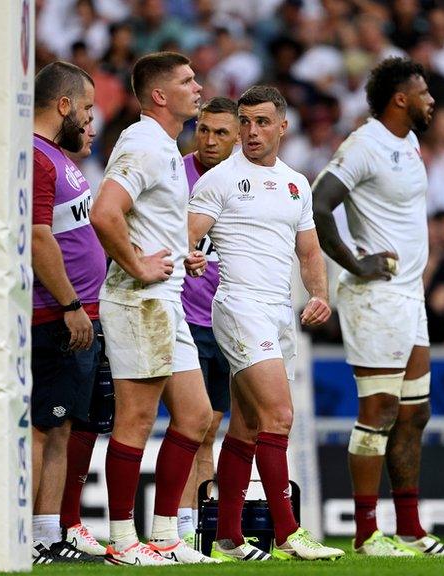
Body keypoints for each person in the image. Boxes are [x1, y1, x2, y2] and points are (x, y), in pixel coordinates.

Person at [187, 85, 344, 562]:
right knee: (280, 415)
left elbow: (309, 250)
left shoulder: (296, 182)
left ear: (282, 127)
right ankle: (289, 531)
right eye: (246, 122)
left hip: (278, 311)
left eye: (261, 122)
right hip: (238, 307)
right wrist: (189, 255)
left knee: (250, 425)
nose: (251, 132)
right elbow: (187, 234)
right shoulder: (219, 180)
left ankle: (229, 536)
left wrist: (319, 294)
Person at [314, 57, 444, 557]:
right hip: (375, 298)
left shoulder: (410, 143)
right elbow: (318, 203)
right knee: (378, 410)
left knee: (414, 415)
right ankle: (364, 534)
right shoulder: (364, 145)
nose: (431, 101)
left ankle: (410, 529)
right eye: (423, 93)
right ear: (400, 99)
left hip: (408, 298)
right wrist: (354, 264)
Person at [88, 51, 217, 565]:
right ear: (160, 95)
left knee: (197, 415)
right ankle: (122, 540)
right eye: (188, 81)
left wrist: (174, 253)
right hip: (139, 300)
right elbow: (105, 212)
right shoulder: (144, 143)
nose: (198, 87)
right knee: (136, 419)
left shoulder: (162, 146)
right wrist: (139, 265)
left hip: (164, 300)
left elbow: (136, 219)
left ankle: (164, 535)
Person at [29, 60, 105, 565]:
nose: (89, 116)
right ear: (63, 105)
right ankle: (27, 538)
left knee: (58, 428)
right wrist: (70, 305)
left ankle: (46, 532)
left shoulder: (57, 155)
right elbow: (37, 238)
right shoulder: (37, 158)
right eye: (87, 107)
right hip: (55, 316)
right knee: (42, 427)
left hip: (73, 314)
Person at [176, 96, 241, 545]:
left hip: (228, 322)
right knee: (189, 427)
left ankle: (201, 533)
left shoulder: (246, 182)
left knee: (209, 431)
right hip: (182, 320)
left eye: (221, 132)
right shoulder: (173, 174)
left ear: (238, 137)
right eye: (204, 129)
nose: (210, 140)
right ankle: (176, 528)